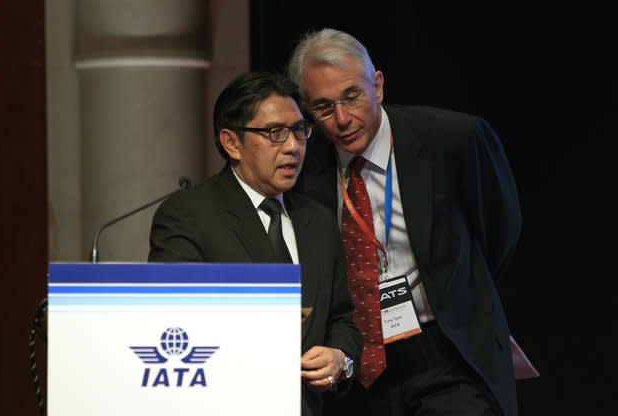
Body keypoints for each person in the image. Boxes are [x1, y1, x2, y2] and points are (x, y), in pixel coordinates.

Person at [287, 28, 522, 416]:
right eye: (325, 108)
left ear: (376, 86)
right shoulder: (305, 174)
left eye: (352, 96)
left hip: (449, 352)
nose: (343, 119)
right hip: (358, 370)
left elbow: (500, 233)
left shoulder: (451, 139)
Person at [148, 71, 362, 416]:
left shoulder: (318, 220)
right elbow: (177, 320)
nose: (293, 146)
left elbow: (343, 319)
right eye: (275, 133)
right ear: (231, 143)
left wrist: (341, 358)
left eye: (299, 131)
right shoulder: (189, 215)